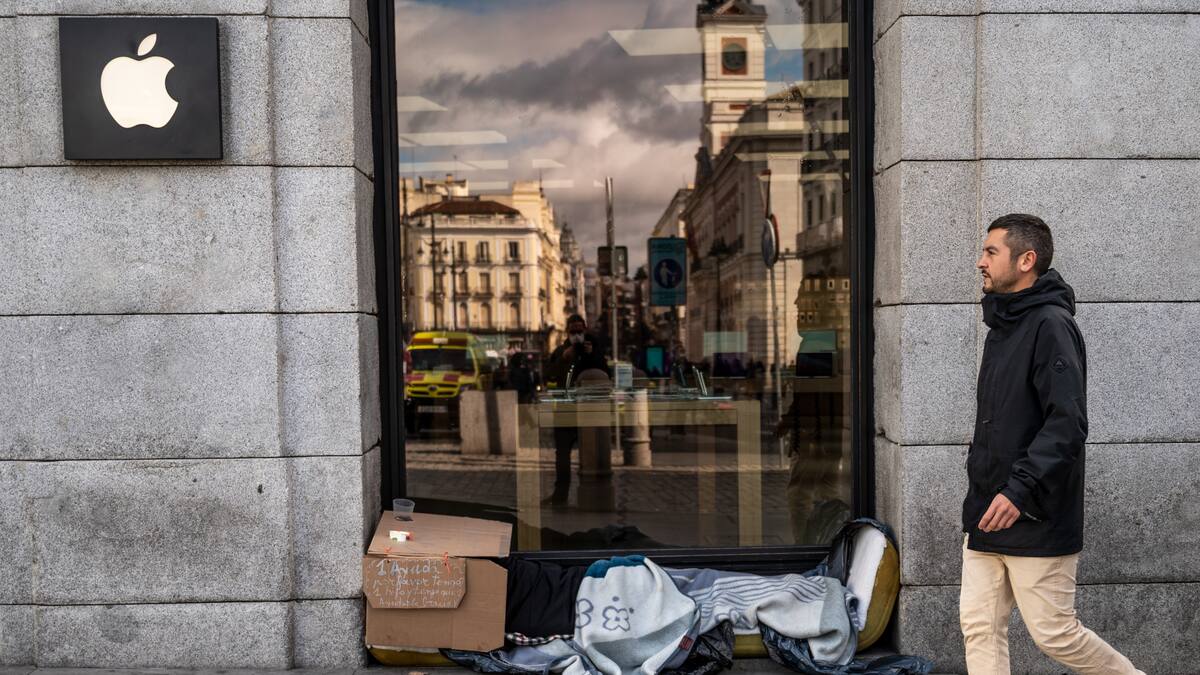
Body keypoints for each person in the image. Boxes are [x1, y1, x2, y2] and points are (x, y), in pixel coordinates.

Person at [960, 214, 1144, 674]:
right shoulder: (1004, 325)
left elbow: (1066, 425)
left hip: (1033, 509)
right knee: (979, 626)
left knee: (1055, 634)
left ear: (1027, 260)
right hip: (988, 507)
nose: (980, 261)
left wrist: (1017, 491)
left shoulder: (1050, 325)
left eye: (991, 252)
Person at [543, 314, 608, 506]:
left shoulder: (595, 349)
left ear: (585, 330)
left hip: (589, 412)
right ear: (567, 332)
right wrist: (563, 359)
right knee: (561, 455)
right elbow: (549, 376)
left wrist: (591, 355)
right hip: (565, 409)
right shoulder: (561, 351)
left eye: (580, 330)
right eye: (573, 331)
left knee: (591, 454)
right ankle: (560, 495)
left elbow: (605, 374)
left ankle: (592, 494)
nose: (577, 335)